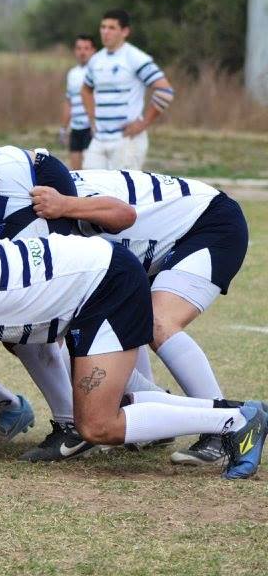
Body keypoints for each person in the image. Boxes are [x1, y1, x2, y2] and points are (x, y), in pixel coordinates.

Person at [0, 141, 265, 480]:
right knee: (109, 404)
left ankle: (233, 422)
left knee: (98, 423)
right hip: (101, 281)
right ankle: (234, 415)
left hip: (111, 282)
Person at [31, 168, 250, 465]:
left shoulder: (52, 194)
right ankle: (154, 415)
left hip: (207, 223)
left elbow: (124, 214)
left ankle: (227, 428)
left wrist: (66, 204)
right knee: (106, 336)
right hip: (146, 252)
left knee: (160, 322)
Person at [80, 10, 174, 170]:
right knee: (89, 189)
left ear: (125, 31)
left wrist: (143, 123)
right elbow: (85, 89)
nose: (105, 32)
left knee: (123, 192)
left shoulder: (135, 58)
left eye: (111, 28)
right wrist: (92, 119)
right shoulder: (96, 59)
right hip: (99, 139)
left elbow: (165, 92)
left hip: (126, 140)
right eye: (103, 27)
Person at [63, 35, 95, 170]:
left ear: (93, 50)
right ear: (75, 51)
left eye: (86, 48)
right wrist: (64, 128)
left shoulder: (96, 70)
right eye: (79, 48)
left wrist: (94, 123)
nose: (83, 52)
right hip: (75, 127)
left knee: (91, 170)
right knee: (76, 171)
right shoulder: (72, 73)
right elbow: (68, 101)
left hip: (91, 128)